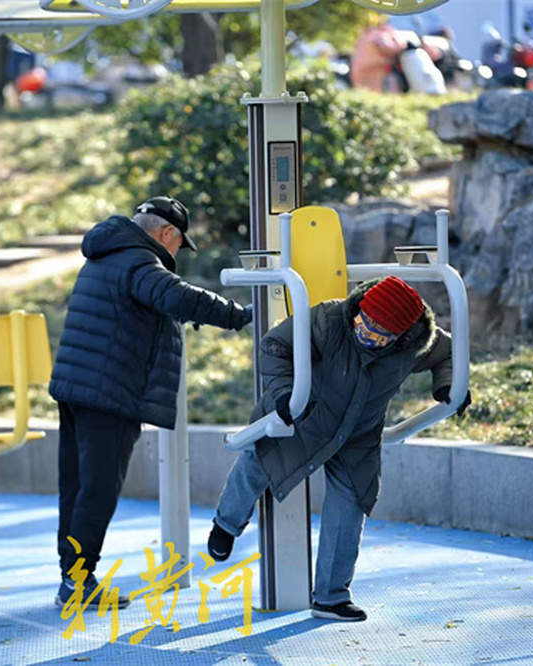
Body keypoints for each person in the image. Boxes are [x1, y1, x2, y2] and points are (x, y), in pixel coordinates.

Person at [206, 276, 471, 622]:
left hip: (357, 434)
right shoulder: (329, 320)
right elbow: (275, 345)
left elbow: (450, 353)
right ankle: (226, 524)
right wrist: (286, 393)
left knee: (351, 503)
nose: (366, 333)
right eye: (364, 322)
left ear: (401, 336)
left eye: (379, 333)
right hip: (304, 414)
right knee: (259, 459)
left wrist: (449, 386)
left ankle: (331, 597)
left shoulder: (414, 345)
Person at [48, 196, 254, 609]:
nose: (177, 253)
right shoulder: (139, 260)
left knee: (78, 486)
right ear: (167, 233)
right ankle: (77, 581)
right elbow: (178, 297)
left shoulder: (107, 253)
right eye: (179, 244)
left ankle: (71, 578)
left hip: (76, 386)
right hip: (108, 392)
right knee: (98, 489)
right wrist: (241, 315)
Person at [350, 17, 407, 92]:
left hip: (360, 70)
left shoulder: (366, 34)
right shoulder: (379, 34)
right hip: (372, 70)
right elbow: (392, 47)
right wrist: (393, 35)